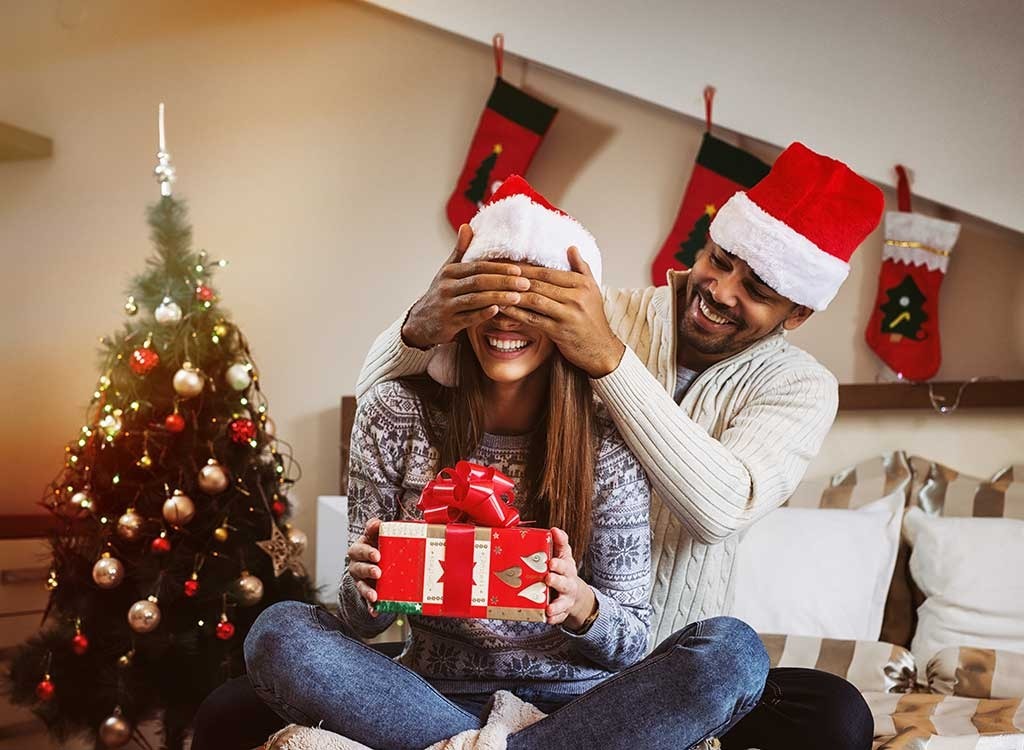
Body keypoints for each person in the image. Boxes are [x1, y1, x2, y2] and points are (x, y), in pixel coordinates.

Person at [192, 177, 768, 750]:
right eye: (487, 296)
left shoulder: (608, 437)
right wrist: (366, 590)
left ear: (567, 322)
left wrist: (580, 604)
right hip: (427, 699)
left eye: (530, 302)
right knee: (279, 634)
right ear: (458, 306)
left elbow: (632, 641)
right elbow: (359, 622)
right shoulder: (395, 414)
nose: (504, 319)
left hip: (580, 708)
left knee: (734, 652)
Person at [356, 143, 885, 750]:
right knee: (281, 659)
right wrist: (417, 327)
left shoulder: (798, 387)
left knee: (832, 713)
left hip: (664, 669)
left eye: (758, 290)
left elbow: (721, 509)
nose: (720, 290)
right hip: (529, 651)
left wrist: (607, 358)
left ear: (799, 313)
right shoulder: (602, 306)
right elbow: (382, 403)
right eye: (719, 260)